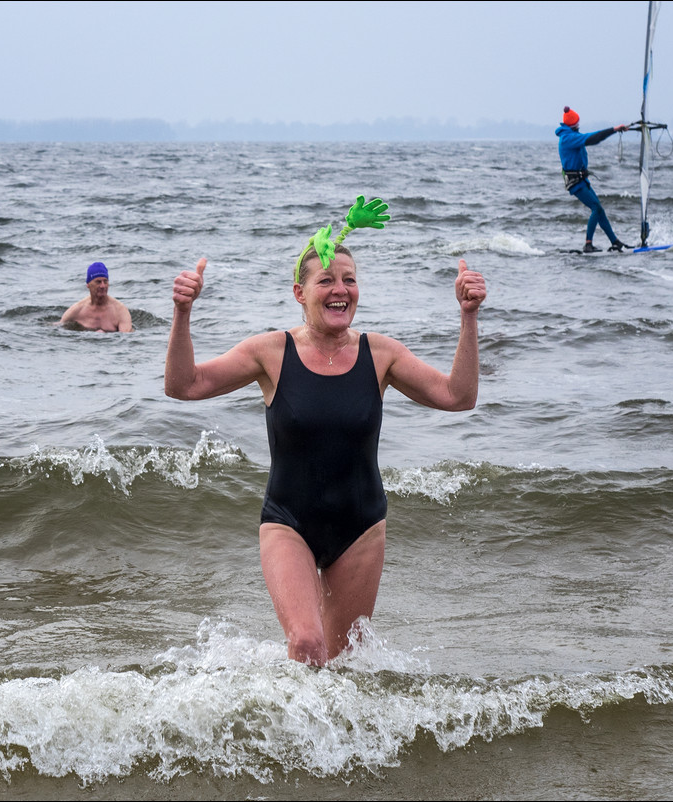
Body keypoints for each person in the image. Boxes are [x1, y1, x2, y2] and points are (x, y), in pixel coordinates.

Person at [164, 197, 487, 666]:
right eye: (327, 280)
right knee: (307, 645)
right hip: (288, 523)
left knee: (342, 668)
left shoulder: (382, 355)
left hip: (360, 529)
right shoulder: (271, 352)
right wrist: (182, 313)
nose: (341, 290)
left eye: (350, 280)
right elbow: (183, 385)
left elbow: (459, 397)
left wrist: (468, 317)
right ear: (300, 292)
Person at [556, 106, 631, 252]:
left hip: (582, 181)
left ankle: (615, 242)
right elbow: (593, 138)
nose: (579, 125)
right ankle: (588, 244)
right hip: (576, 183)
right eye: (577, 122)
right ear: (574, 124)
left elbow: (592, 136)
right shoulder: (568, 138)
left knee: (599, 210)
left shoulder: (571, 135)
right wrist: (614, 129)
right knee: (595, 208)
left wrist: (616, 130)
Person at [59, 261, 134, 332]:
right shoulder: (77, 310)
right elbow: (58, 328)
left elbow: (126, 340)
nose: (102, 286)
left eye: (105, 281)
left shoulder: (120, 311)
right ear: (88, 285)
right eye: (98, 282)